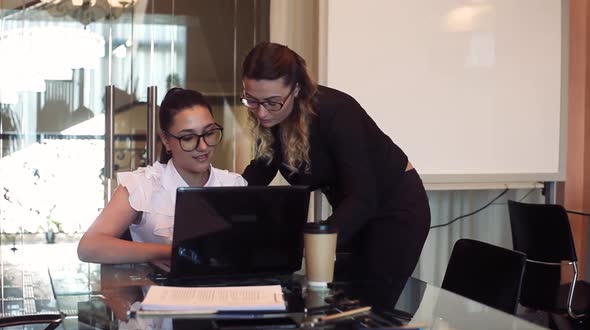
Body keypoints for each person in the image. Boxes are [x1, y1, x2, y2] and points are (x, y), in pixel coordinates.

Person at [240, 42, 431, 293]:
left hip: (396, 208)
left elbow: (363, 197)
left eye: (272, 102)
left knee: (368, 306)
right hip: (353, 210)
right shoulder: (274, 116)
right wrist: (221, 207)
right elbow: (259, 172)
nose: (262, 113)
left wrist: (310, 243)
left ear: (296, 89)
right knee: (338, 302)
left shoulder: (337, 112)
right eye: (252, 100)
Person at [77, 88, 247, 264]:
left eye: (209, 133)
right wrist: (173, 252)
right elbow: (89, 247)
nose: (203, 146)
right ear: (166, 140)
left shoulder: (233, 183)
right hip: (161, 291)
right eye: (188, 138)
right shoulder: (144, 184)